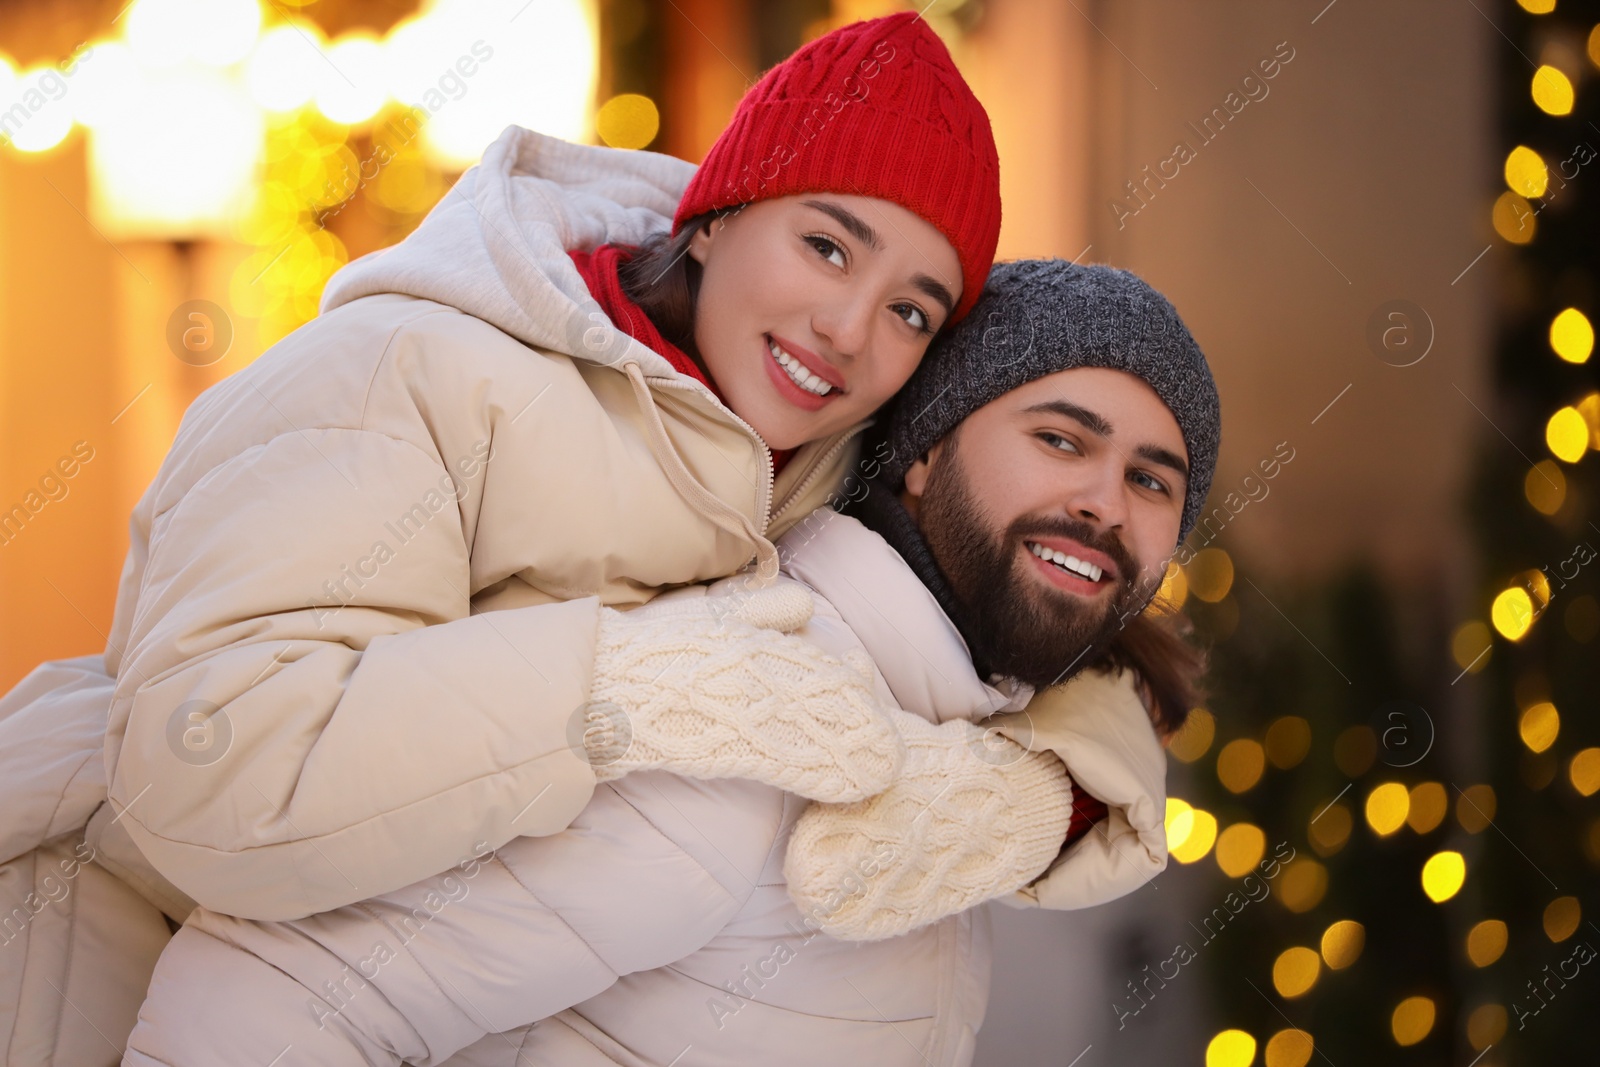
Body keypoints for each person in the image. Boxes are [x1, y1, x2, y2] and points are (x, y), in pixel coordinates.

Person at [0, 12, 1002, 1059]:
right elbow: (212, 766)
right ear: (714, 218)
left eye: (912, 312)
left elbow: (1007, 596)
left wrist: (1048, 780)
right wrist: (617, 686)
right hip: (111, 986)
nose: (849, 328)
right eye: (827, 245)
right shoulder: (402, 372)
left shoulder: (807, 470)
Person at [121, 258, 1221, 1066]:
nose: (1103, 501)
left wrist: (1052, 791)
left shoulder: (966, 727)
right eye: (1062, 440)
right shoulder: (736, 723)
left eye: (1153, 480)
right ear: (925, 455)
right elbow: (265, 1004)